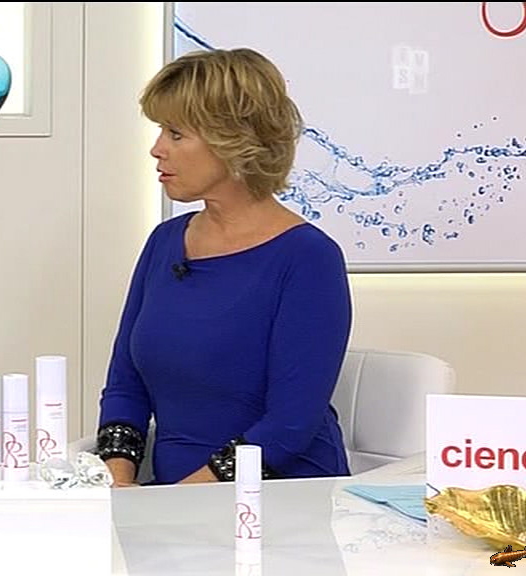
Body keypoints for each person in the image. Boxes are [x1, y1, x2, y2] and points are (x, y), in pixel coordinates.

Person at [95, 48, 352, 486]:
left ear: (233, 140)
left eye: (176, 134)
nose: (157, 149)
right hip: (173, 503)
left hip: (280, 499)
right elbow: (125, 386)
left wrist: (172, 504)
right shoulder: (164, 242)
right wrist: (119, 484)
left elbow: (288, 427)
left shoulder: (309, 257)